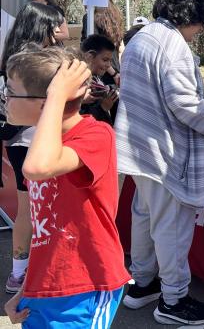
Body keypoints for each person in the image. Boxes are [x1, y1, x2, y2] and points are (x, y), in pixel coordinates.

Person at [115, 0, 204, 325]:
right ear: (190, 17)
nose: (199, 31)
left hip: (138, 147)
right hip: (164, 153)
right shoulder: (172, 44)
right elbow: (184, 103)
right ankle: (173, 300)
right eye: (200, 23)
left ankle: (143, 284)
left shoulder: (142, 36)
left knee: (144, 216)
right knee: (171, 227)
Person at [3, 47, 130, 327]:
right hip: (45, 285)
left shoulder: (96, 135)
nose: (5, 99)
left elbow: (37, 169)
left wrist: (57, 95)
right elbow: (46, 232)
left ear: (46, 102)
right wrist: (27, 291)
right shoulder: (41, 145)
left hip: (84, 287)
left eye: (11, 91)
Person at [0, 2, 63, 294]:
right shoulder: (32, 60)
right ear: (43, 26)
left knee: (28, 207)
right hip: (32, 139)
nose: (59, 31)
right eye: (54, 25)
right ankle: (31, 270)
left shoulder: (12, 54)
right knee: (41, 207)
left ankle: (18, 272)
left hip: (16, 141)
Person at [81, 34, 119, 126]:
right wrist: (103, 107)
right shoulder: (81, 84)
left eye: (110, 61)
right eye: (105, 60)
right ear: (90, 57)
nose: (108, 65)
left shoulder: (96, 79)